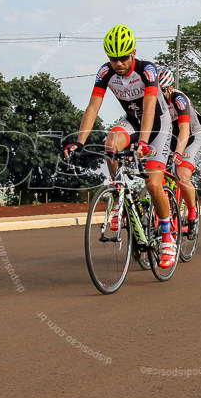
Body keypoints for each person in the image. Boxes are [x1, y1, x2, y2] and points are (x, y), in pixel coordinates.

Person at [64, 24, 177, 268]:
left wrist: (144, 143)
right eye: (113, 59)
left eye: (124, 57)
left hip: (157, 125)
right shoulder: (105, 73)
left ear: (133, 52)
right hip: (132, 122)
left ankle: (168, 236)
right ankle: (118, 195)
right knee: (111, 143)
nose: (119, 64)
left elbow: (149, 108)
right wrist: (78, 143)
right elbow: (93, 107)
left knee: (153, 182)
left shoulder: (147, 70)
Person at [157, 66, 201, 239]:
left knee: (182, 175)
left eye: (162, 92)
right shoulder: (152, 100)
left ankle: (192, 215)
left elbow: (185, 131)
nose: (158, 97)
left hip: (190, 137)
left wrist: (177, 154)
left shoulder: (179, 99)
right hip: (169, 137)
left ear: (169, 89)